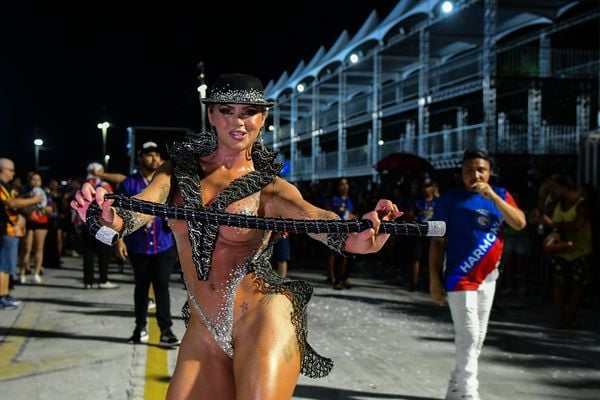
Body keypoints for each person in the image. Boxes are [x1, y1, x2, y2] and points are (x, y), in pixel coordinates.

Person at [71, 73, 401, 399]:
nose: (238, 122)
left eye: (248, 112)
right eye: (227, 110)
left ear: (263, 117)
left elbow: (317, 219)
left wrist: (354, 237)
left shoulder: (270, 187)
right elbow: (140, 208)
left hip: (262, 319)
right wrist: (108, 218)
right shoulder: (176, 173)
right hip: (204, 329)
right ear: (212, 114)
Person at [428, 148, 526, 400]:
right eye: (469, 169)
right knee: (469, 335)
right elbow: (437, 242)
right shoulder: (448, 200)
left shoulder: (501, 195)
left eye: (481, 169)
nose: (475, 174)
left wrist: (492, 196)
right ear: (461, 172)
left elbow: (520, 223)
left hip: (488, 277)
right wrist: (434, 279)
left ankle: (455, 387)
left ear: (490, 172)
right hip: (459, 276)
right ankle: (469, 392)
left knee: (477, 337)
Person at [115, 141, 180, 346]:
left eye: (157, 155)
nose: (155, 159)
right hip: (138, 245)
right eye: (149, 155)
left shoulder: (168, 182)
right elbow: (119, 213)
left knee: (162, 286)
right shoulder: (129, 184)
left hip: (164, 243)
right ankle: (139, 327)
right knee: (141, 287)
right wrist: (120, 240)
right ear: (140, 158)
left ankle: (166, 331)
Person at [0, 158, 43, 310]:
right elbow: (11, 204)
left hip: (11, 229)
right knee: (4, 266)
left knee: (7, 266)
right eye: (11, 170)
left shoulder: (7, 186)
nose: (13, 173)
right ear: (2, 170)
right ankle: (2, 297)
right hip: (5, 228)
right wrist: (34, 199)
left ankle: (5, 295)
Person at [81, 162, 119, 289]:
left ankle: (88, 281)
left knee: (88, 254)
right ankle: (103, 280)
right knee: (104, 253)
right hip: (102, 223)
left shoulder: (84, 185)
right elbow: (111, 202)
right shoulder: (104, 185)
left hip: (86, 223)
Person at [19, 172, 51, 284]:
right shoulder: (24, 192)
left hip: (41, 221)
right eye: (34, 179)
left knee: (39, 248)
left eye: (39, 179)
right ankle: (22, 272)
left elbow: (50, 209)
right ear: (29, 180)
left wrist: (41, 209)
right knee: (26, 248)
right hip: (28, 222)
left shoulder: (46, 193)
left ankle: (36, 273)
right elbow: (20, 205)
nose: (36, 181)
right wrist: (30, 202)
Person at [326, 178, 357, 290]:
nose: (345, 186)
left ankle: (345, 278)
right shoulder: (334, 199)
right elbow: (328, 214)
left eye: (346, 184)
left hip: (348, 230)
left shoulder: (350, 199)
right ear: (338, 186)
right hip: (335, 229)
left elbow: (353, 213)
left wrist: (353, 217)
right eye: (342, 184)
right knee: (335, 254)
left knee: (347, 255)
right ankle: (334, 277)